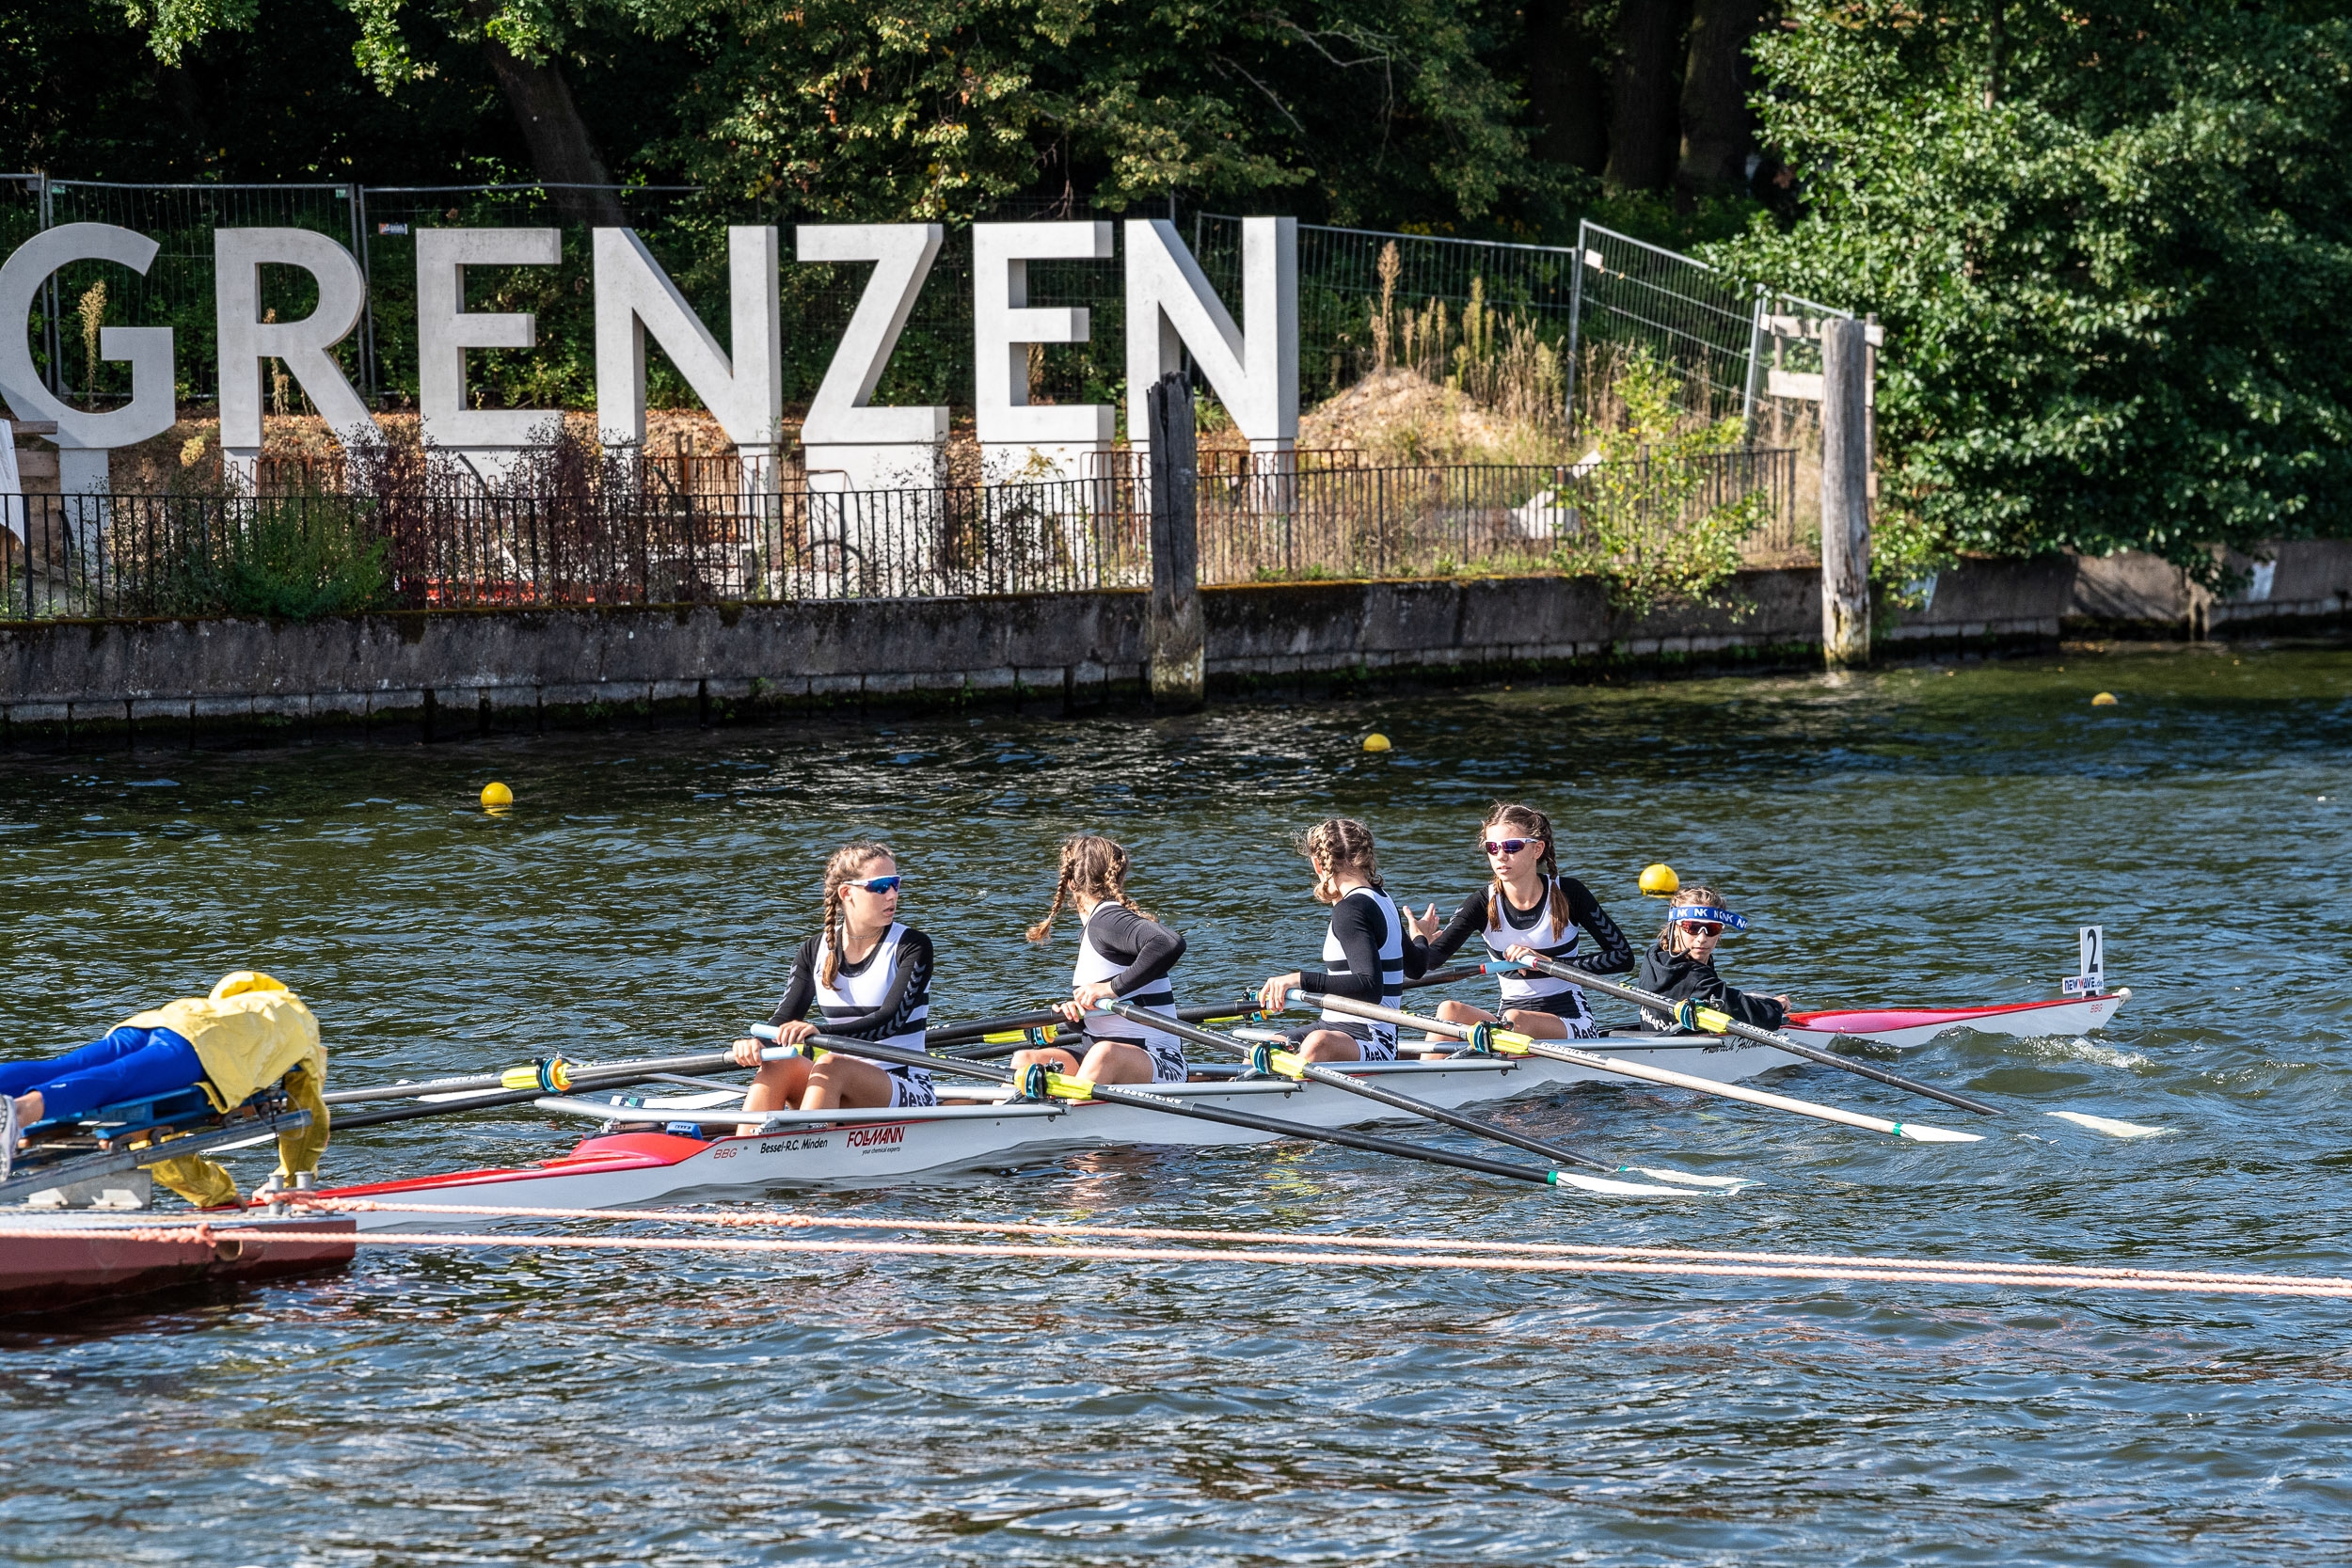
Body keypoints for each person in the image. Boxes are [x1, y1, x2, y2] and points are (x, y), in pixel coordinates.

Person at [0, 971, 327, 1206]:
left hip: (152, 1023)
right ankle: (19, 1112)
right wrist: (283, 1183)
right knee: (116, 1082)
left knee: (58, 1068)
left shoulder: (226, 1005)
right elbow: (308, 1113)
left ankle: (17, 1105)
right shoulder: (303, 1023)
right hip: (200, 1051)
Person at [729, 841, 936, 1120]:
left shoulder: (912, 946)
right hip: (835, 1081)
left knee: (830, 1065)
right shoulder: (813, 950)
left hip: (906, 1088)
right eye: (880, 886)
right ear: (847, 892)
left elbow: (890, 1020)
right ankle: (746, 1149)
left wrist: (819, 1034)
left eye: (895, 884)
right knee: (777, 1063)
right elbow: (782, 1021)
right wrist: (756, 1043)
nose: (892, 895)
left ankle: (804, 1148)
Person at [1412, 800, 1634, 1043]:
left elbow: (1622, 957)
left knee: (1516, 1019)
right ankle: (1422, 1076)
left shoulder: (1570, 893)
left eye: (1512, 846)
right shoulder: (1481, 903)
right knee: (1448, 1010)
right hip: (1509, 1020)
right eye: (1492, 847)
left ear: (1537, 849)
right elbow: (1429, 962)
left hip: (1570, 1019)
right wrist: (1418, 940)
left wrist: (1546, 962)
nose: (1500, 856)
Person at [1009, 834, 1190, 1085]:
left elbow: (1169, 943)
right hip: (1101, 1055)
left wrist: (1110, 989)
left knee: (1103, 1055)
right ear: (1121, 878)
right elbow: (1107, 1018)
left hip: (1159, 1060)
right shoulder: (1097, 927)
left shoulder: (1108, 921)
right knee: (1025, 1061)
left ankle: (1061, 1121)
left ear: (1070, 883)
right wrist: (1075, 1016)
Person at [1256, 817, 1423, 1063]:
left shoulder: (1351, 909)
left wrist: (1298, 980)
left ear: (1317, 864)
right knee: (1264, 1049)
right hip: (1333, 1026)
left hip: (1373, 1040)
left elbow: (1369, 988)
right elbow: (1417, 966)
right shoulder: (1382, 899)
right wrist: (1420, 936)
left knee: (1317, 1044)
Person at [1636, 887, 1795, 1032]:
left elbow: (1721, 996)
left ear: (1720, 932)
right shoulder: (1695, 980)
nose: (1702, 938)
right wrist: (1775, 1007)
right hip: (1680, 1057)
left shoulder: (1653, 957)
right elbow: (1757, 1017)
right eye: (1692, 927)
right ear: (1676, 928)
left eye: (1712, 928)